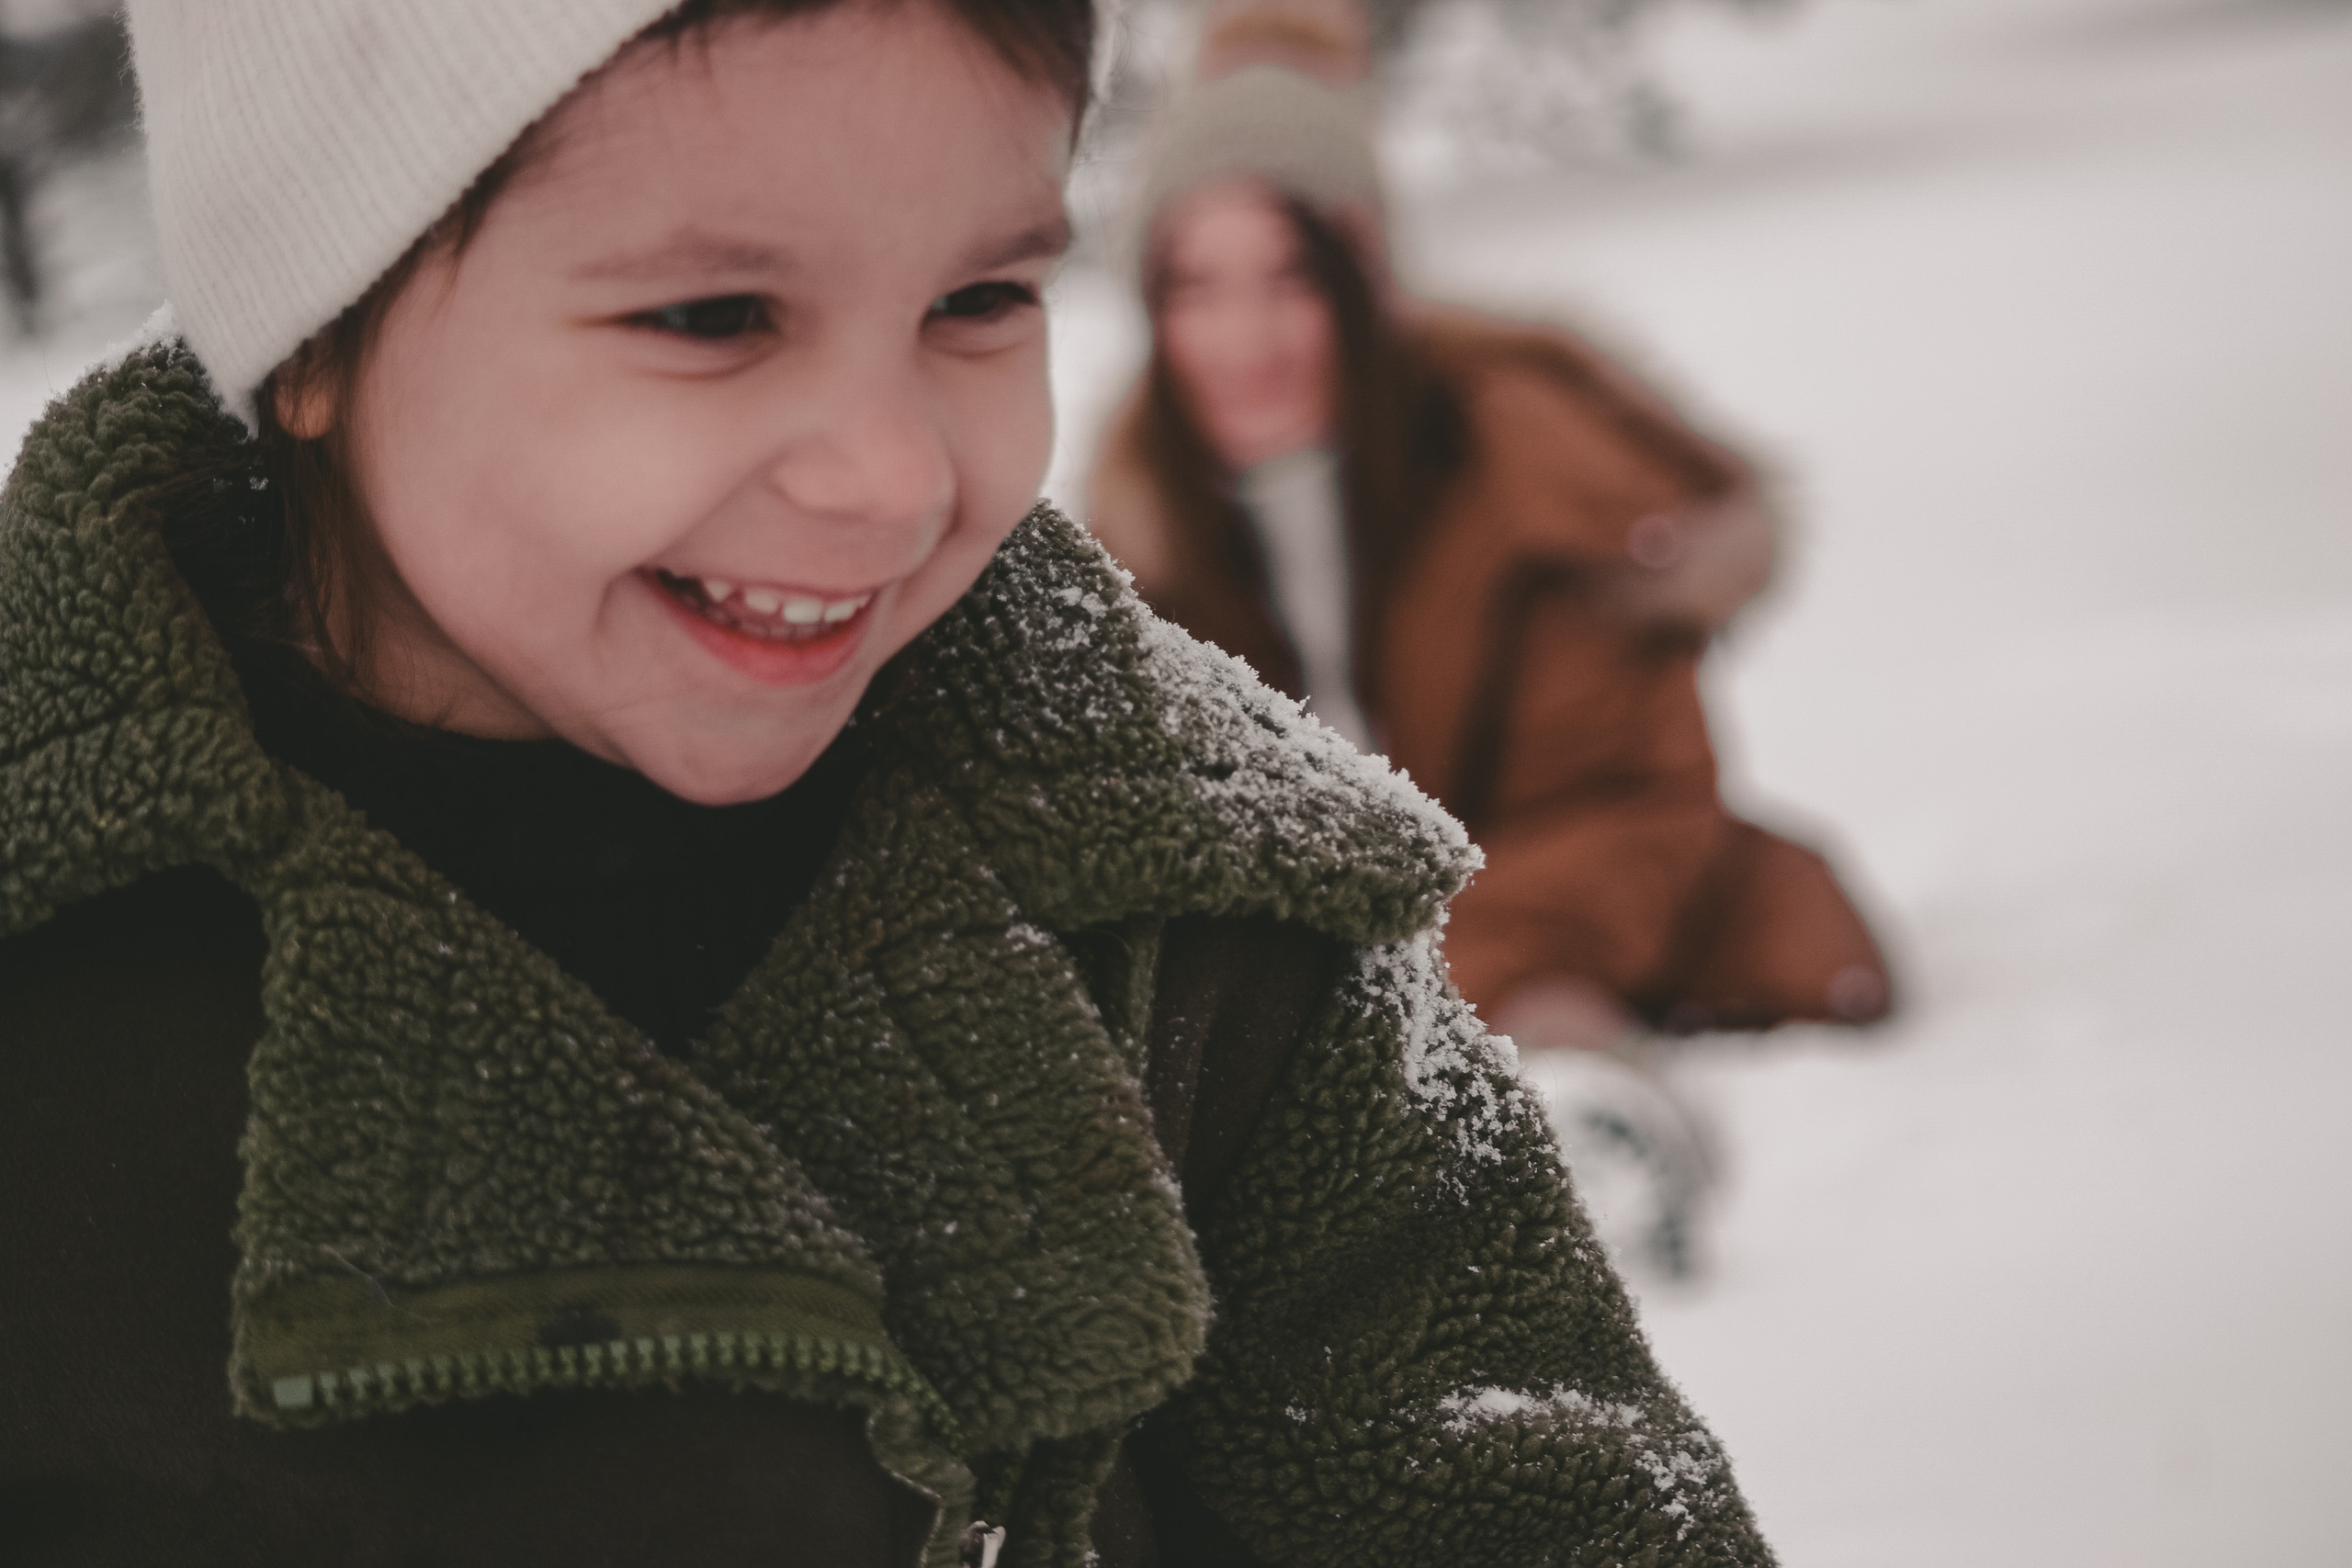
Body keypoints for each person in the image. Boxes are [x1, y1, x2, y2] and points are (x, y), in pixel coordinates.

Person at [0, 1, 1775, 1564]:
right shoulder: (60, 973)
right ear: (315, 326)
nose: (890, 473)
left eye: (981, 297)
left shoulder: (1201, 922)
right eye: (711, 314)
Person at [1088, 0, 1894, 1062]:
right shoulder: (1133, 554)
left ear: (1364, 274)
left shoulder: (1535, 479)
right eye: (1195, 286)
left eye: (1291, 276)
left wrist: (1416, 989)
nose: (1244, 339)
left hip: (1546, 968)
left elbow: (1624, 811)